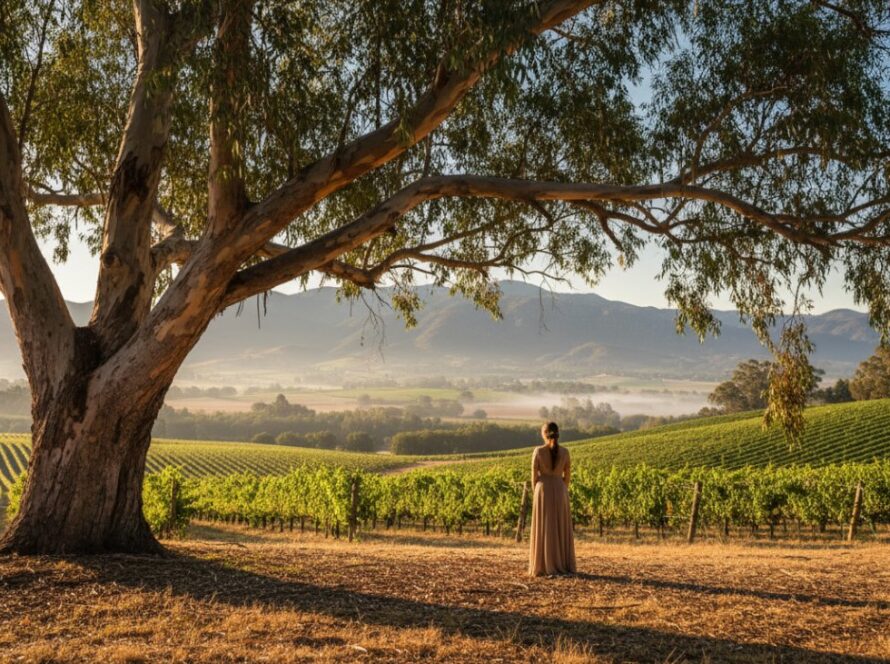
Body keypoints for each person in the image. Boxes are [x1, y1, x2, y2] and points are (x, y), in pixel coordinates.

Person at [528, 421, 577, 576]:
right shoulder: (565, 452)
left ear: (544, 434)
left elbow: (534, 477)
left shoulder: (538, 451)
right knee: (560, 526)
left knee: (544, 526)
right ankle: (562, 563)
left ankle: (543, 564)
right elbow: (567, 476)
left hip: (543, 490)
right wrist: (561, 488)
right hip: (560, 488)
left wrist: (537, 491)